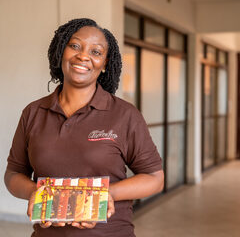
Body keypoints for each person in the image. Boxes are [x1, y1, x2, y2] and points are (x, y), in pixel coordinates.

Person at [4, 18, 164, 237]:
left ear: (105, 63)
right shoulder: (33, 112)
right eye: (75, 46)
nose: (83, 56)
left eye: (96, 52)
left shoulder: (125, 115)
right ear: (62, 51)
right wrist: (38, 193)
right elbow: (13, 174)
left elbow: (154, 178)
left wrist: (107, 194)